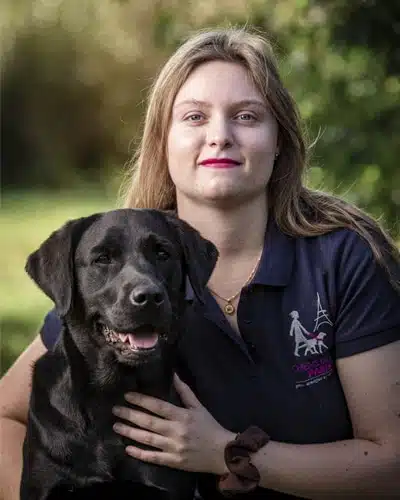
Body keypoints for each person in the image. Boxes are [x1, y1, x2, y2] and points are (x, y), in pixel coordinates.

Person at [1, 27, 399, 499]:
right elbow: (6, 414)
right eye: (194, 116)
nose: (220, 136)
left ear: (280, 141)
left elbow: (392, 463)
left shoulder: (342, 259)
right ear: (162, 141)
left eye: (247, 116)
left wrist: (225, 452)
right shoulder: (115, 274)